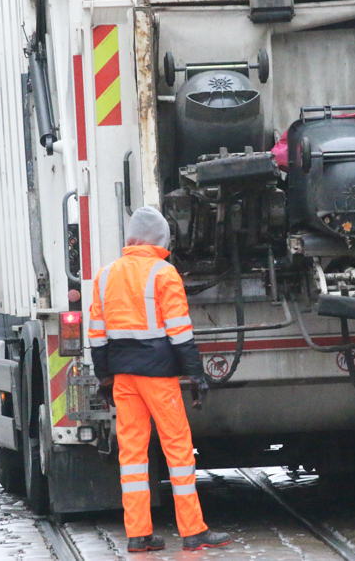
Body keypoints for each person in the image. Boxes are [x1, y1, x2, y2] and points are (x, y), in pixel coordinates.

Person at [88, 206, 231, 552]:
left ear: (132, 239)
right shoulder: (164, 274)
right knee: (178, 449)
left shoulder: (106, 276)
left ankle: (138, 534)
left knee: (133, 455)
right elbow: (180, 333)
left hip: (124, 378)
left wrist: (104, 376)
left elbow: (96, 335)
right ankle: (192, 531)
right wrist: (196, 375)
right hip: (158, 378)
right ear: (161, 241)